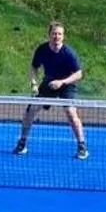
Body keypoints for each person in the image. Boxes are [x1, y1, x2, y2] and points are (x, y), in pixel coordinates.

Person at [14, 21, 87, 159]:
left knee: (71, 113)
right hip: (49, 83)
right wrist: (34, 84)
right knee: (31, 110)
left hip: (67, 83)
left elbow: (79, 74)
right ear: (49, 35)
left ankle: (82, 146)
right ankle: (22, 143)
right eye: (54, 33)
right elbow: (34, 67)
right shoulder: (42, 50)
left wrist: (62, 82)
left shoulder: (69, 53)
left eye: (59, 34)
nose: (56, 36)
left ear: (63, 36)